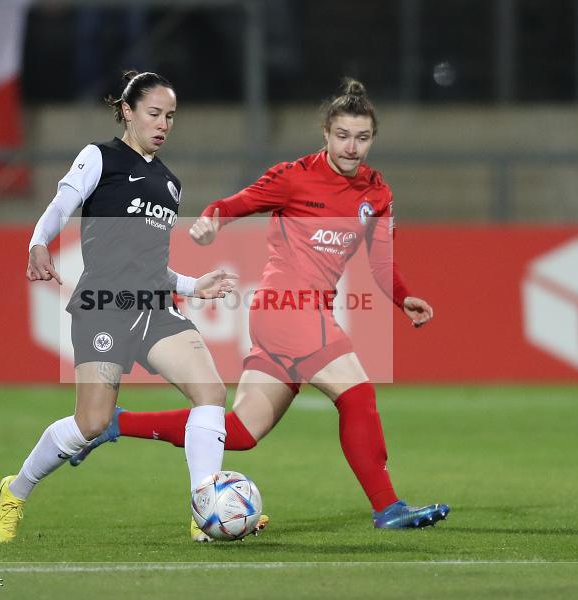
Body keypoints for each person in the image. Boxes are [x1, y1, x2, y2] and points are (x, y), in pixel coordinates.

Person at [70, 78, 450, 541]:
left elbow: (381, 259)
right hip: (286, 308)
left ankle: (114, 424)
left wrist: (402, 295)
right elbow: (234, 203)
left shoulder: (377, 193)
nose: (352, 147)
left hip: (308, 314)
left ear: (372, 139)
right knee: (358, 394)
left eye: (363, 137)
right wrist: (211, 223)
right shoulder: (294, 176)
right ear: (327, 134)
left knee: (242, 430)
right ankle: (387, 507)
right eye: (343, 135)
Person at [0, 71, 239, 543]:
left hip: (154, 308)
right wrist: (38, 243)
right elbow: (62, 206)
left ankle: (204, 509)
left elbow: (150, 265)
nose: (163, 124)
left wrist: (192, 284)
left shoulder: (170, 184)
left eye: (170, 117)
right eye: (154, 113)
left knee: (211, 394)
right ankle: (16, 490)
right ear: (127, 110)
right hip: (105, 305)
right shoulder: (99, 158)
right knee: (92, 422)